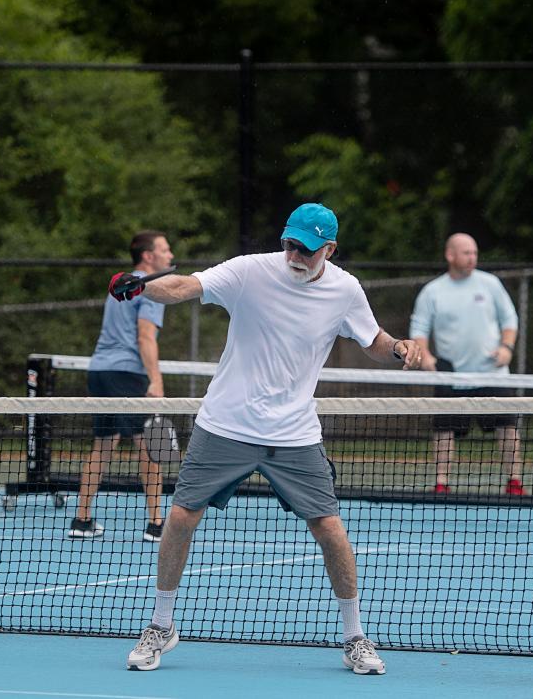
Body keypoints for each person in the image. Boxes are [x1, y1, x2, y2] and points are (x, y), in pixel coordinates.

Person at [110, 203, 422, 675]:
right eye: (290, 243)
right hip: (225, 424)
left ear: (329, 250)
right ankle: (161, 624)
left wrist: (397, 348)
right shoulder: (250, 271)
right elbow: (185, 285)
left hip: (294, 432)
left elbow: (371, 338)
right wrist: (141, 286)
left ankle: (354, 635)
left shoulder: (345, 290)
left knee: (330, 530)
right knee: (179, 517)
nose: (295, 254)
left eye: (307, 248)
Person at [68, 230, 174, 543]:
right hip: (127, 374)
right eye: (165, 250)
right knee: (150, 447)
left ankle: (82, 519)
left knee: (103, 444)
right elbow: (145, 336)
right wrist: (155, 380)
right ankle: (156, 524)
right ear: (148, 256)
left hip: (99, 371)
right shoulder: (150, 286)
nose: (170, 256)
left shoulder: (122, 285)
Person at [409, 233, 525, 495]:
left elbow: (510, 320)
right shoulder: (433, 291)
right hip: (451, 375)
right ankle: (441, 483)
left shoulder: (491, 284)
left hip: (492, 374)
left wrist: (506, 348)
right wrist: (425, 356)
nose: (472, 257)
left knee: (508, 427)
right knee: (444, 429)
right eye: (466, 253)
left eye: (474, 252)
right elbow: (419, 328)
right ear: (450, 255)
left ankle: (515, 483)